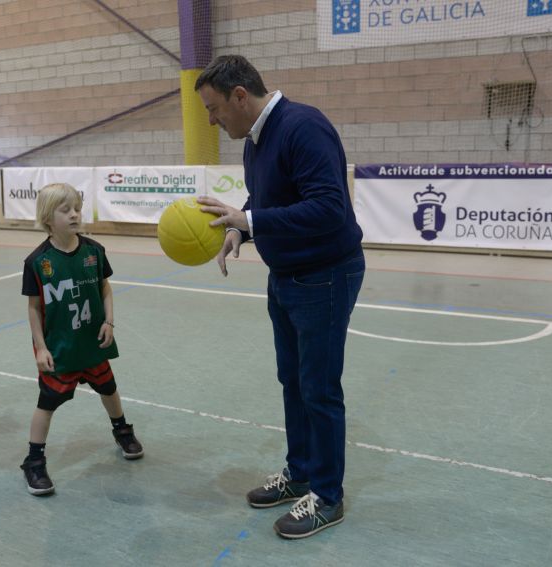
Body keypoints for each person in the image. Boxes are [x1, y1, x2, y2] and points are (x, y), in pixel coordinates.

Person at [195, 55, 365, 539]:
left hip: (324, 275)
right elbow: (267, 199)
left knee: (319, 388)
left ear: (240, 96)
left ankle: (328, 496)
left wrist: (252, 221)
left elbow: (330, 208)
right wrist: (241, 232)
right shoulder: (255, 140)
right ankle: (302, 472)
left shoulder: (302, 127)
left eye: (213, 109)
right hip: (288, 274)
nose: (211, 119)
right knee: (292, 380)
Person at [19, 183, 144, 496]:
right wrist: (41, 348)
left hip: (91, 341)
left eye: (77, 207)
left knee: (109, 388)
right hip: (59, 348)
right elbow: (34, 309)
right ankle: (34, 461)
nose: (75, 214)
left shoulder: (94, 251)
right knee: (46, 403)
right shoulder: (37, 261)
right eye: (66, 210)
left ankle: (122, 431)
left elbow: (105, 289)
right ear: (48, 218)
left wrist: (109, 321)